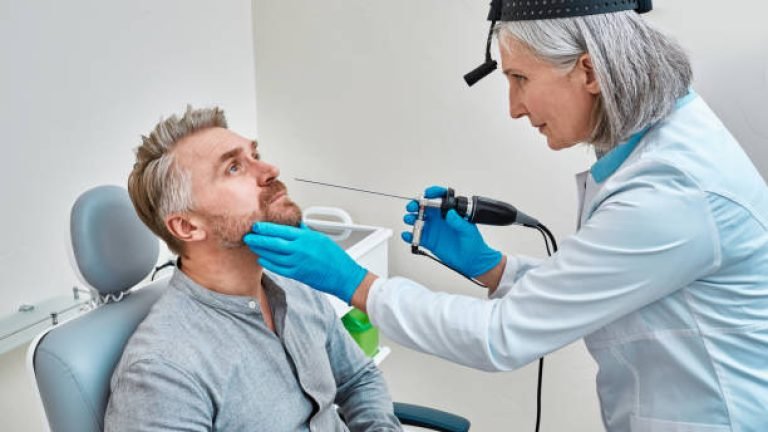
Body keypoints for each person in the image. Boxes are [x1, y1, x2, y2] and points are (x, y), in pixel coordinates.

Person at [243, 3, 768, 431]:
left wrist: (353, 281)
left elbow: (499, 338)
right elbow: (609, 286)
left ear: (588, 70)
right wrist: (493, 268)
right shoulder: (653, 149)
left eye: (519, 78)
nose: (514, 107)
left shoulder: (672, 191)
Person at [104, 106, 401, 431]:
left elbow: (358, 379)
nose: (270, 169)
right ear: (187, 226)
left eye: (255, 154)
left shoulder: (295, 285)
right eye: (233, 167)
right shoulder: (161, 373)